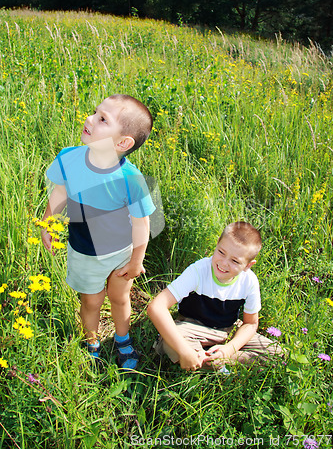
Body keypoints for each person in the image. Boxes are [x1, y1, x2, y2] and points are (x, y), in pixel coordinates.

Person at [41, 94, 156, 369]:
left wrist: (136, 261)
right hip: (84, 251)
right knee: (91, 301)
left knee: (119, 297)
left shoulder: (131, 179)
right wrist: (47, 223)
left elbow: (142, 224)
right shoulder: (69, 158)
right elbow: (60, 192)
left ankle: (122, 338)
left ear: (122, 143)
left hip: (120, 254)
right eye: (94, 112)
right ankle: (91, 340)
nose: (89, 119)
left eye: (102, 119)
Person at [148, 222, 281, 372]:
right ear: (217, 244)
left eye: (235, 261)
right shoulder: (198, 271)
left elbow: (250, 324)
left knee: (278, 354)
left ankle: (217, 360)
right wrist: (185, 350)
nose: (223, 263)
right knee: (171, 342)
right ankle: (206, 360)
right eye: (221, 252)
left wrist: (229, 350)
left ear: (248, 265)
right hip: (192, 327)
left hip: (228, 330)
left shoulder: (249, 281)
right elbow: (156, 307)